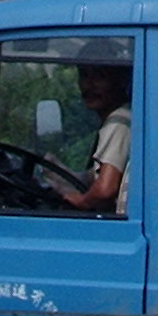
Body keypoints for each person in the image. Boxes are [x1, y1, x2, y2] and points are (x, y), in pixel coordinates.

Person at [57, 61, 131, 214]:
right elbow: (97, 174)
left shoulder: (119, 122)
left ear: (121, 80)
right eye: (84, 75)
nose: (89, 85)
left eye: (100, 76)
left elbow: (105, 190)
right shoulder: (123, 116)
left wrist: (82, 201)